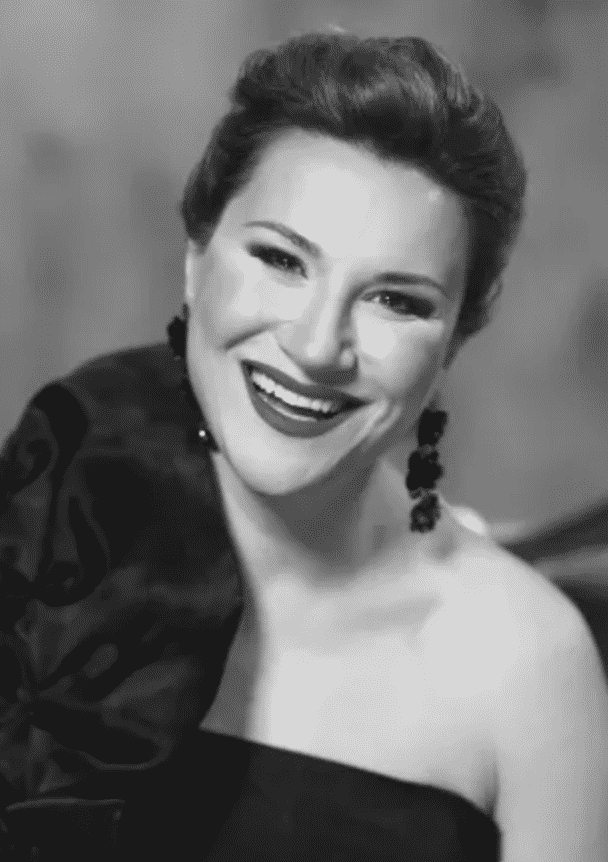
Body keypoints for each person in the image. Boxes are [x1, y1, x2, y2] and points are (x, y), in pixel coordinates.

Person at [1, 30, 607, 862]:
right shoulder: (44, 539)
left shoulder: (526, 666)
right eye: (282, 259)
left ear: (453, 342)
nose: (319, 346)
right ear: (195, 259)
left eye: (396, 300)